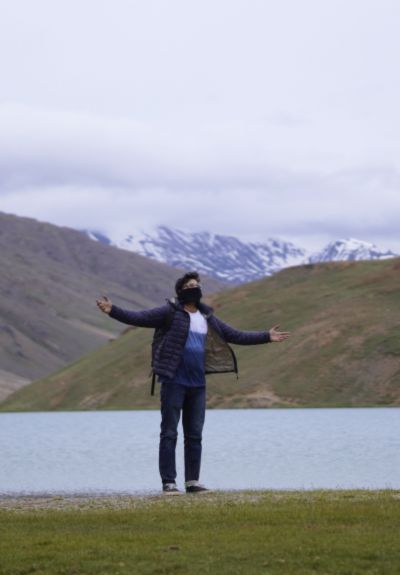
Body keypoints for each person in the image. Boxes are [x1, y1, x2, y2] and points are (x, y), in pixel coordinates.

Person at [96, 271, 289, 495]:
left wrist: (266, 336)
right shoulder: (170, 312)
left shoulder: (207, 317)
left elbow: (235, 335)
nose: (193, 288)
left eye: (196, 285)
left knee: (195, 435)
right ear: (180, 291)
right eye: (189, 286)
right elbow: (139, 317)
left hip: (197, 384)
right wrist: (113, 310)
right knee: (169, 433)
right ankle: (169, 483)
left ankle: (192, 482)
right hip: (173, 381)